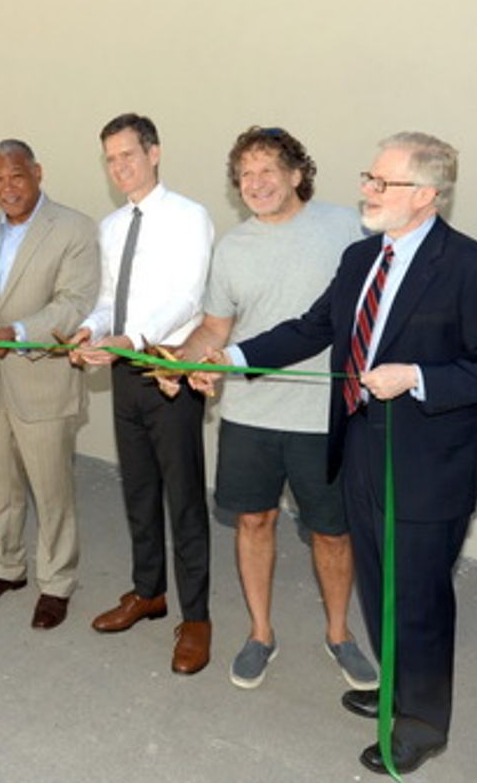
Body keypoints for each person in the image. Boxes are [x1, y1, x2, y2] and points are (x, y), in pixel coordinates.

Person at [205, 132, 477, 775]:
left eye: (383, 183)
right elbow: (312, 328)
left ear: (427, 194)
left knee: (420, 599)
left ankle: (422, 725)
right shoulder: (361, 258)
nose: (367, 191)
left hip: (427, 465)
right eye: (368, 178)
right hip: (358, 449)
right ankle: (397, 689)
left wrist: (417, 376)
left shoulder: (473, 267)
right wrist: (231, 358)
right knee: (380, 586)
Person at [166, 126, 377, 692]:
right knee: (254, 521)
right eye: (245, 175)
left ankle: (339, 634)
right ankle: (261, 633)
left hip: (324, 418)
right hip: (250, 416)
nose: (255, 183)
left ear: (296, 174)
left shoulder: (348, 228)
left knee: (332, 533)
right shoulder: (233, 248)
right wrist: (181, 362)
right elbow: (215, 330)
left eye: (266, 171)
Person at [69, 113, 215, 674]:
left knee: (184, 498)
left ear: (154, 153)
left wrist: (130, 340)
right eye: (110, 159)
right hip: (125, 371)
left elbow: (187, 297)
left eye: (128, 155)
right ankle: (148, 592)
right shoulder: (111, 227)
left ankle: (196, 618)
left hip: (169, 369)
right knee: (137, 490)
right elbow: (109, 298)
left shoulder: (188, 217)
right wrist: (90, 330)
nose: (119, 167)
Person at [0, 140, 99, 630]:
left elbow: (74, 303)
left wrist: (14, 333)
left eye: (16, 176)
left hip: (43, 383)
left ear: (37, 172)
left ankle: (56, 583)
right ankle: (5, 566)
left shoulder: (74, 228)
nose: (6, 188)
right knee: (0, 487)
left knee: (52, 493)